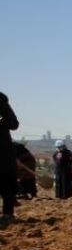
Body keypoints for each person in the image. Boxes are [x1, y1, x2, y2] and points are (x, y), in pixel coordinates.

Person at [0, 92, 20, 220]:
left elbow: (14, 123)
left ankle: (7, 213)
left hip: (2, 151)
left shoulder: (0, 101)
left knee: (5, 181)